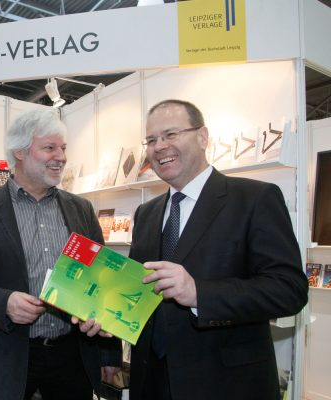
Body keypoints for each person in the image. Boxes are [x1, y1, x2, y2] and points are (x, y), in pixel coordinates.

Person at [125, 99, 308, 399]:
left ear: (202, 137)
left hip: (224, 383)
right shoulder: (146, 213)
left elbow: (289, 291)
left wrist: (199, 293)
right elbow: (136, 289)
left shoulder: (255, 199)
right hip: (152, 382)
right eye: (151, 140)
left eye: (170, 134)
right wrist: (106, 318)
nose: (159, 147)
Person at [0, 109, 121, 400]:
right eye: (49, 147)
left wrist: (108, 354)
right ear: (19, 153)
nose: (61, 156)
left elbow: (102, 280)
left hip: (72, 356)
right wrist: (4, 302)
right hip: (9, 355)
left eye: (63, 148)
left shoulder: (81, 209)